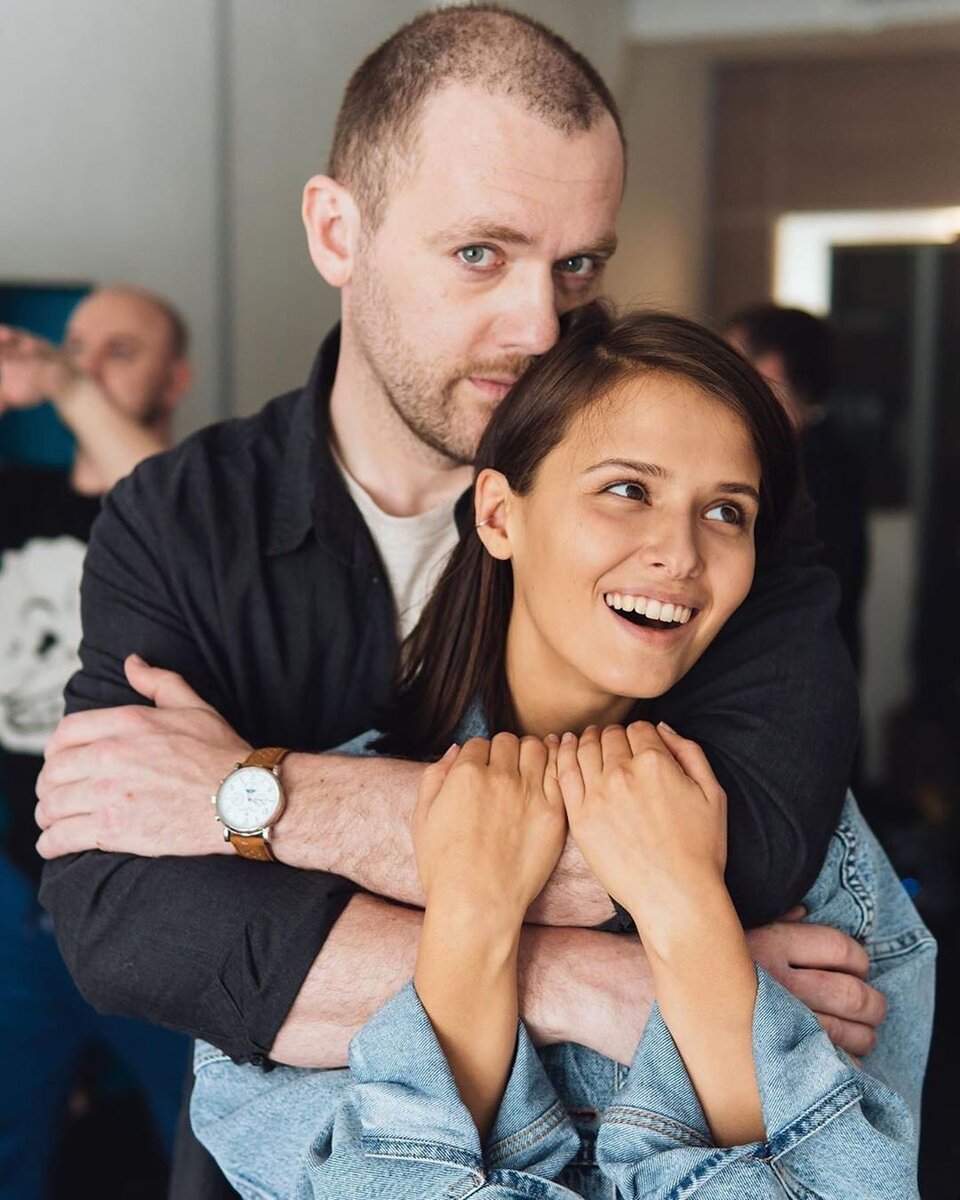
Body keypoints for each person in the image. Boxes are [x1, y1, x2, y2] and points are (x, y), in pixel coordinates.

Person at [33, 9, 873, 1197]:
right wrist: (594, 979)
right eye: (482, 253)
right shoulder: (184, 516)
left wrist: (247, 798)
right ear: (339, 231)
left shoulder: (709, 506)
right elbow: (130, 921)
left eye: (577, 266)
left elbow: (743, 846)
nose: (540, 327)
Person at [189, 307, 934, 1198]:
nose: (681, 554)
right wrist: (472, 919)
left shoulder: (813, 844)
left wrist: (684, 906)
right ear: (498, 514)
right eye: (628, 490)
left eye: (725, 511)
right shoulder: (311, 855)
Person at [0, 284, 193, 1198]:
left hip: (156, 892)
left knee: (199, 1147)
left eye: (120, 351)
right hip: (15, 893)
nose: (84, 365)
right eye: (76, 347)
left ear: (176, 378)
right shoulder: (17, 497)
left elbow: (171, 513)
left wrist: (69, 388)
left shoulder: (200, 504)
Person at [725, 304, 868, 672]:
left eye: (733, 361)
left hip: (790, 669)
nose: (723, 377)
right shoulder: (830, 451)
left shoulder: (813, 465)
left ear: (771, 367)